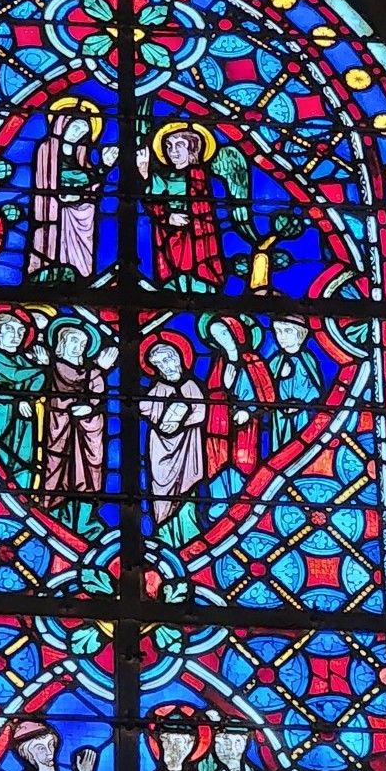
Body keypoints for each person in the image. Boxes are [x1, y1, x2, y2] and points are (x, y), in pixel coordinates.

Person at [41, 317, 116, 539]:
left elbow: (96, 394)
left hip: (89, 430)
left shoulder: (90, 371)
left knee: (89, 472)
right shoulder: (53, 368)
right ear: (60, 345)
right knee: (57, 469)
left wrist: (90, 406)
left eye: (82, 344)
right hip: (59, 429)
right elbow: (54, 389)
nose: (79, 348)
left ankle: (85, 522)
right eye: (73, 342)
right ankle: (55, 516)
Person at [26, 99, 116, 283]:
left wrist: (104, 167)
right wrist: (62, 197)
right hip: (55, 217)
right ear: (61, 125)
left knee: (81, 264)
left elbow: (92, 187)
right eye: (75, 128)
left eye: (83, 131)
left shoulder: (82, 158)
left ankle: (81, 280)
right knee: (56, 255)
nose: (78, 134)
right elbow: (45, 184)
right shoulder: (46, 150)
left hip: (83, 217)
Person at [137, 120, 229, 291]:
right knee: (174, 276)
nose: (173, 151)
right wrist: (144, 173)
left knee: (199, 277)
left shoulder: (205, 178)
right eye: (169, 145)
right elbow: (151, 200)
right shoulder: (161, 177)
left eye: (179, 145)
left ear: (193, 148)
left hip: (200, 234)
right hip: (169, 234)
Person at [141, 334, 207, 548]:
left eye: (168, 360)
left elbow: (200, 412)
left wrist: (181, 418)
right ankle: (164, 533)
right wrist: (163, 418)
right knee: (160, 491)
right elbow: (145, 408)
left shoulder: (191, 386)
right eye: (159, 364)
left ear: (179, 358)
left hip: (187, 447)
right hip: (161, 447)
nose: (165, 366)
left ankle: (188, 533)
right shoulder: (157, 388)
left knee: (188, 489)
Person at [201, 315, 274, 488]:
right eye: (217, 336)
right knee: (218, 463)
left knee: (245, 463)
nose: (222, 339)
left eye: (225, 333)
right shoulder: (219, 363)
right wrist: (223, 390)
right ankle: (220, 500)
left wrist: (248, 410)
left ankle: (244, 497)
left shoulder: (254, 362)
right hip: (219, 424)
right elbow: (212, 393)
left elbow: (267, 397)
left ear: (238, 332)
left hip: (248, 425)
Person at [0, 307, 46, 486]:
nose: (16, 335)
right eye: (10, 329)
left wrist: (26, 398)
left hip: (24, 417)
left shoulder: (24, 360)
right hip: (1, 413)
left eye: (20, 331)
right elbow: (15, 375)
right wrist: (42, 366)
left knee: (23, 460)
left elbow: (39, 379)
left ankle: (20, 495)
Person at [267, 316, 323, 451]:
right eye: (278, 331)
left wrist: (301, 404)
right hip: (279, 415)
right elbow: (265, 389)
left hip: (302, 414)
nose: (282, 337)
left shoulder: (308, 360)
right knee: (279, 449)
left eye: (287, 331)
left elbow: (316, 390)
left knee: (300, 447)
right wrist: (279, 377)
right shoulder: (275, 362)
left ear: (301, 334)